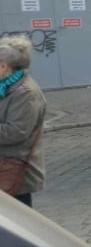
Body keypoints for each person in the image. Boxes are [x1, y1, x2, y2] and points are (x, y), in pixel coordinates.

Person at [0, 35, 46, 206]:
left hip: (14, 170)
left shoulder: (26, 93)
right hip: (5, 165)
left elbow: (16, 132)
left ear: (3, 66)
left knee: (18, 226)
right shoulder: (5, 87)